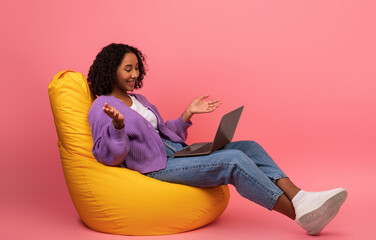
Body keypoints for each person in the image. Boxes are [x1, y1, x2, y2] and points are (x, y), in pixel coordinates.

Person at [87, 43, 347, 236]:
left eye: (137, 68)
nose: (134, 74)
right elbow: (109, 157)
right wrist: (119, 127)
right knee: (232, 161)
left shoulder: (139, 100)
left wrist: (187, 114)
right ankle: (300, 216)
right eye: (128, 69)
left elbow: (164, 134)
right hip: (156, 168)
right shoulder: (102, 107)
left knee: (249, 147)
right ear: (111, 71)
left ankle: (301, 197)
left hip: (176, 154)